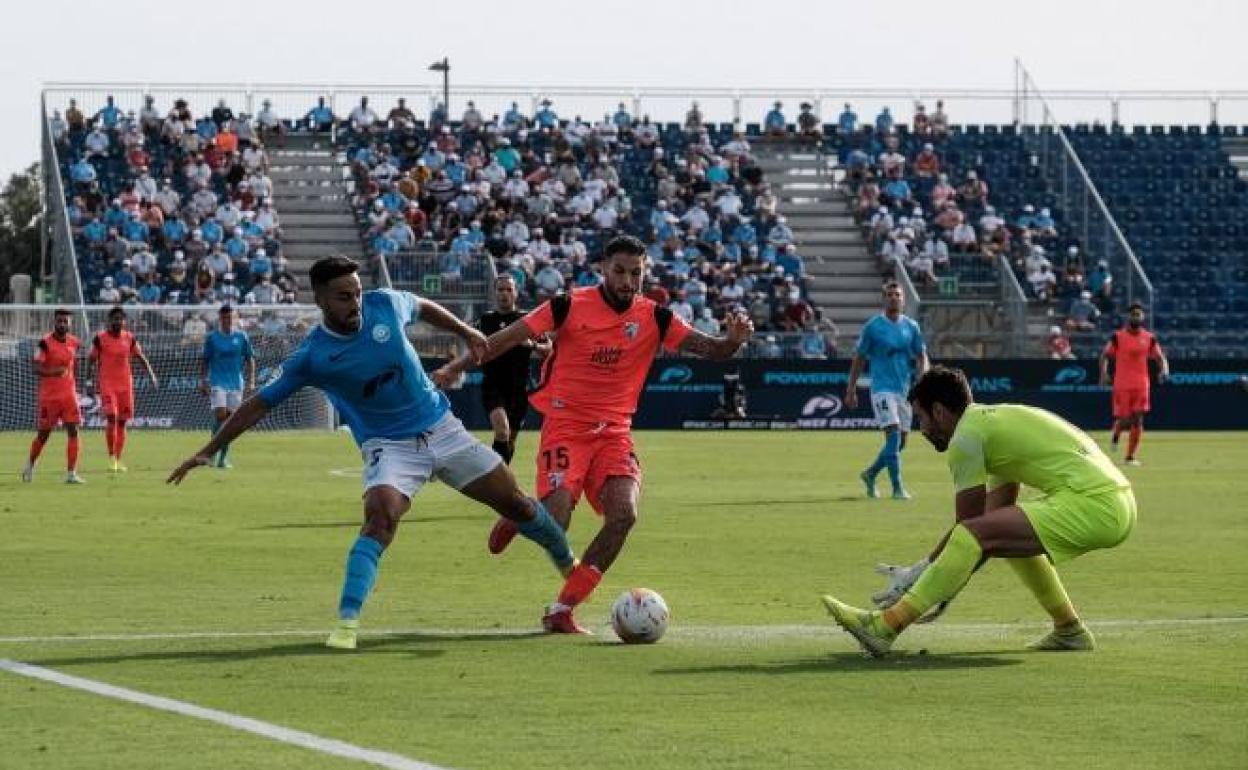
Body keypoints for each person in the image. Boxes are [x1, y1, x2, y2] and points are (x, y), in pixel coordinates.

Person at [168, 256, 575, 650]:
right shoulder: (314, 356)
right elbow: (259, 403)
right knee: (380, 517)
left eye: (357, 292)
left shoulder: (383, 303)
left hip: (442, 428)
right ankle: (347, 623)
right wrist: (210, 448)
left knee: (519, 506)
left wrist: (465, 331)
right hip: (390, 445)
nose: (355, 303)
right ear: (321, 301)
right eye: (344, 297)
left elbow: (423, 306)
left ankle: (571, 570)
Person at [476, 236, 754, 633]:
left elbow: (712, 350)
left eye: (636, 273)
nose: (628, 281)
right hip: (567, 427)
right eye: (620, 271)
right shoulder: (568, 304)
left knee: (624, 515)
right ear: (602, 268)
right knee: (555, 522)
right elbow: (506, 337)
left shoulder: (655, 317)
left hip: (614, 435)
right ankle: (519, 514)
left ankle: (562, 610)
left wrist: (733, 341)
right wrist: (455, 368)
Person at [822, 366, 1136, 656]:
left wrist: (921, 577)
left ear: (939, 411)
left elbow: (969, 528)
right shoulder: (994, 426)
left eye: (921, 418)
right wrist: (936, 575)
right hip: (1118, 503)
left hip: (1096, 505)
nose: (922, 429)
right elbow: (995, 518)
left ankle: (884, 627)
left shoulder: (966, 439)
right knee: (1006, 536)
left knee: (978, 534)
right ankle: (1069, 630)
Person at [431, 275, 550, 464]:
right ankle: (494, 474)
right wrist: (457, 362)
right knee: (501, 429)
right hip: (493, 386)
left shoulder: (527, 320)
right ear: (494, 293)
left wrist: (533, 346)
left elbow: (548, 350)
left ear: (516, 293)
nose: (504, 294)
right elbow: (470, 344)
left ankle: (499, 476)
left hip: (519, 389)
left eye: (508, 290)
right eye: (500, 289)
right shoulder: (486, 320)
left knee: (508, 440)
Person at [844, 282, 929, 500]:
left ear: (903, 300)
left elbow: (921, 356)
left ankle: (870, 474)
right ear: (884, 299)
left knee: (900, 443)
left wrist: (924, 376)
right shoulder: (873, 327)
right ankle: (897, 488)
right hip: (882, 389)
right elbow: (859, 358)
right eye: (889, 295)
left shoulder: (911, 327)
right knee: (893, 436)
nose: (893, 298)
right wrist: (851, 388)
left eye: (897, 295)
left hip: (904, 390)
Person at [87, 307, 158, 472]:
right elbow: (91, 360)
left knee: (122, 422)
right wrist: (89, 381)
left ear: (124, 321)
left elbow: (141, 357)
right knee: (112, 417)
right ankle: (111, 457)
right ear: (109, 321)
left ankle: (118, 459)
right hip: (107, 385)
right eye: (114, 319)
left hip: (126, 385)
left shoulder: (130, 338)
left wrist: (152, 375)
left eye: (120, 319)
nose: (117, 322)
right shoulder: (100, 339)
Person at [1100, 302, 1169, 466]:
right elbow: (1105, 356)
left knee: (1138, 419)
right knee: (1126, 419)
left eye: (1138, 314)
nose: (1136, 317)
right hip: (1122, 384)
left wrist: (1164, 370)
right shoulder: (1118, 337)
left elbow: (1160, 358)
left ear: (1142, 317)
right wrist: (1104, 373)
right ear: (1128, 316)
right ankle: (1117, 431)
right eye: (1133, 314)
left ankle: (1130, 457)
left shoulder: (1149, 338)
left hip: (1141, 384)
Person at [23, 309, 85, 484]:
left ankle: (71, 473)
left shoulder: (75, 342)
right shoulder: (44, 343)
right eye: (60, 321)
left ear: (70, 323)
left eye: (66, 321)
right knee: (44, 434)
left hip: (69, 396)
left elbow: (74, 365)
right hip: (49, 398)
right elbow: (35, 367)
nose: (63, 324)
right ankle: (30, 464)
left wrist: (78, 386)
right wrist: (53, 372)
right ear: (54, 322)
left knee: (73, 430)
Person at [200, 305, 256, 469]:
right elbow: (205, 360)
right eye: (225, 317)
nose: (228, 320)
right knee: (220, 416)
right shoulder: (212, 338)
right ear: (220, 318)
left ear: (236, 318)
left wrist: (251, 380)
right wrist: (203, 380)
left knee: (230, 422)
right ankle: (211, 454)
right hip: (217, 382)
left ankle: (223, 459)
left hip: (236, 383)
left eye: (231, 317)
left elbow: (250, 359)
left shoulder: (242, 336)